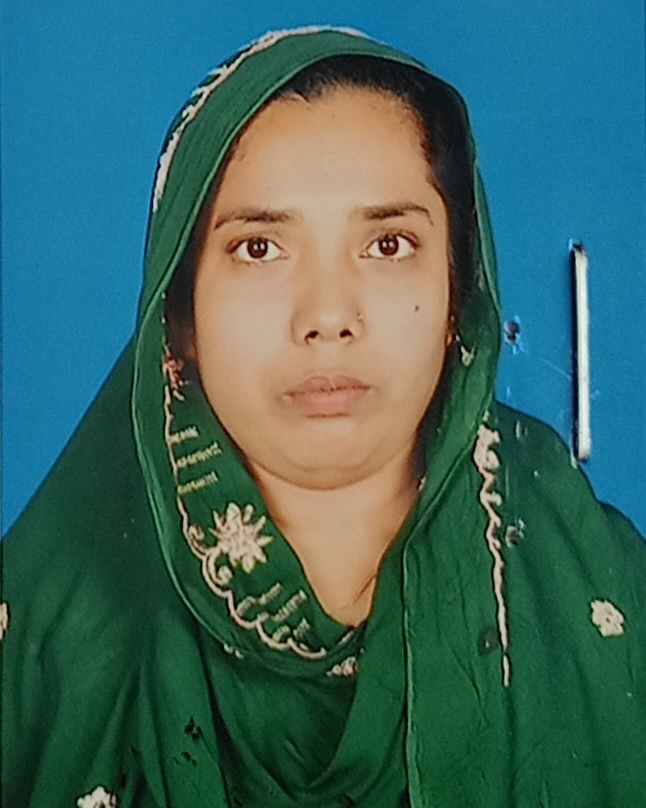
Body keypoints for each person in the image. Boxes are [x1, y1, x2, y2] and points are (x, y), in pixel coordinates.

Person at [2, 26, 645, 808]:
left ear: (458, 294)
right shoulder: (46, 631)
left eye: (388, 244)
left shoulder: (601, 582)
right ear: (181, 313)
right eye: (259, 249)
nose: (328, 316)